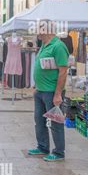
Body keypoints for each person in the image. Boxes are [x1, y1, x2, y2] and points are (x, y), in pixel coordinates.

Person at [28, 33, 69, 162]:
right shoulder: (44, 45)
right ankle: (42, 147)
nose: (37, 32)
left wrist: (58, 94)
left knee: (55, 123)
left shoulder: (58, 46)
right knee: (39, 122)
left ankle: (58, 152)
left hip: (51, 92)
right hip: (40, 91)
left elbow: (63, 71)